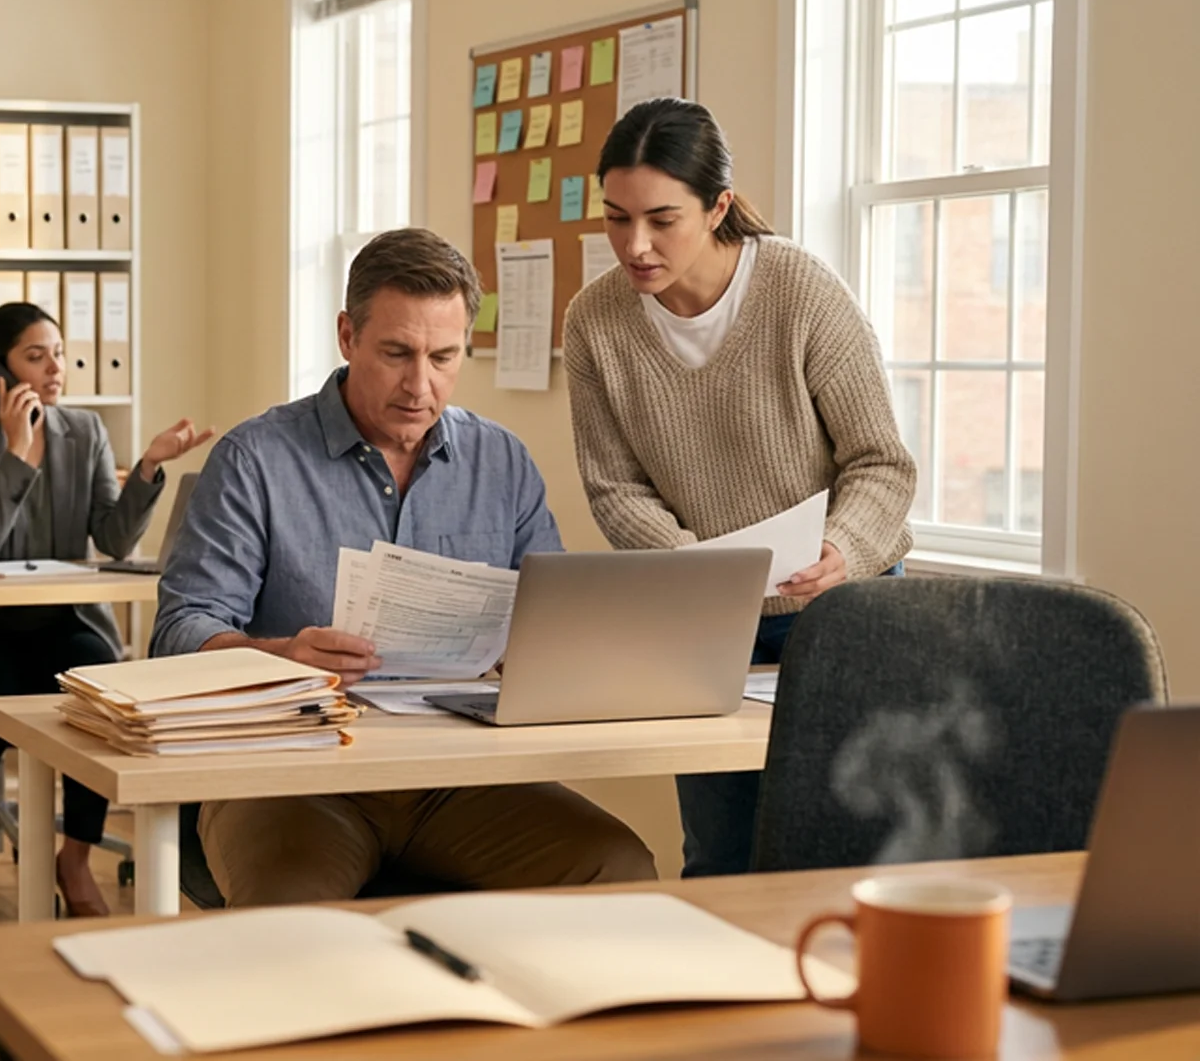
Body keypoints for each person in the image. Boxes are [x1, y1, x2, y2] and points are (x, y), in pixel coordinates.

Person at [151, 227, 656, 908]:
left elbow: (553, 617)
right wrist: (280, 656)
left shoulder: (500, 462)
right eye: (396, 353)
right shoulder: (255, 459)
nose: (421, 385)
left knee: (617, 868)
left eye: (444, 357)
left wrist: (532, 656)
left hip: (458, 778)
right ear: (346, 336)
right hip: (291, 775)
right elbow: (179, 631)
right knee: (290, 913)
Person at [562, 98, 916, 878]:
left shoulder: (800, 292)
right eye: (616, 219)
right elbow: (615, 487)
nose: (635, 245)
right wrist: (699, 571)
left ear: (718, 206)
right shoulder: (594, 322)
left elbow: (882, 464)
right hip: (707, 620)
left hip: (836, 609)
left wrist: (844, 548)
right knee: (721, 856)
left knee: (845, 849)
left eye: (662, 218)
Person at [0, 302, 212, 922]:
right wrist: (18, 454)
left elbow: (113, 539)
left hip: (62, 621)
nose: (56, 368)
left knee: (100, 690)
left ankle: (74, 856)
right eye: (35, 355)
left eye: (58, 353)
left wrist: (149, 467)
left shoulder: (86, 432)